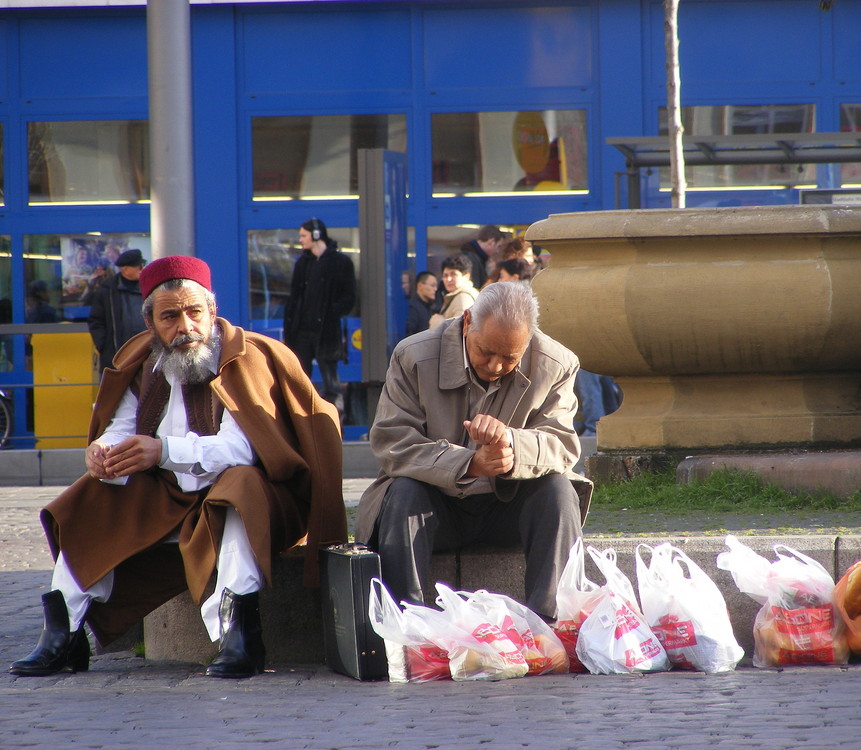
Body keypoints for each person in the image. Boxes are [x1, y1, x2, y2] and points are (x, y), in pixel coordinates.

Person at [9, 255, 347, 679]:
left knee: (238, 488)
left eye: (194, 312)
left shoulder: (246, 359)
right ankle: (64, 634)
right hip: (169, 495)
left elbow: (242, 449)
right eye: (170, 316)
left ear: (212, 312)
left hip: (257, 498)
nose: (185, 326)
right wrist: (103, 450)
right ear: (151, 324)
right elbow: (122, 426)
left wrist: (161, 450)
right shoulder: (143, 361)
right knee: (91, 493)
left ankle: (239, 635)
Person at [356, 282, 593, 620]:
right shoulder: (413, 355)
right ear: (467, 322)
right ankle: (410, 628)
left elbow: (562, 445)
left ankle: (550, 625)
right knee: (403, 492)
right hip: (434, 506)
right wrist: (469, 463)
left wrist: (511, 445)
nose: (496, 366)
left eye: (510, 358)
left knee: (558, 491)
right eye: (486, 351)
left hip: (509, 506)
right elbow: (392, 441)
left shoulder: (557, 363)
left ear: (528, 342)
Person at [283, 218, 356, 412]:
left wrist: (333, 312)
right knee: (300, 379)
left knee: (331, 382)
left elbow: (349, 296)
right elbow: (294, 298)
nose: (300, 240)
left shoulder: (340, 262)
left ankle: (333, 420)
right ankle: (305, 419)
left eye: (303, 235)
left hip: (326, 331)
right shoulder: (302, 264)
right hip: (302, 332)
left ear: (316, 235)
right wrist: (290, 329)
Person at [87, 249, 147, 373]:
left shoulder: (148, 288)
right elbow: (96, 321)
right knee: (118, 391)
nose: (143, 268)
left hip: (146, 353)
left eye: (143, 265)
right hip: (117, 355)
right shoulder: (107, 291)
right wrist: (103, 346)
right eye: (139, 266)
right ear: (125, 269)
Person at [428, 254, 478, 329]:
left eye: (453, 274)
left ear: (466, 276)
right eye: (445, 275)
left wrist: (438, 323)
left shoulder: (463, 298)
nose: (448, 279)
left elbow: (460, 331)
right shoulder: (456, 295)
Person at [458, 224, 506, 289]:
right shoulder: (472, 259)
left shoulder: (474, 257)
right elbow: (476, 286)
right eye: (498, 246)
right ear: (491, 242)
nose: (497, 251)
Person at [405, 271, 439, 336]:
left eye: (436, 286)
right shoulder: (412, 308)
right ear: (420, 286)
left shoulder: (430, 306)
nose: (435, 289)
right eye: (432, 285)